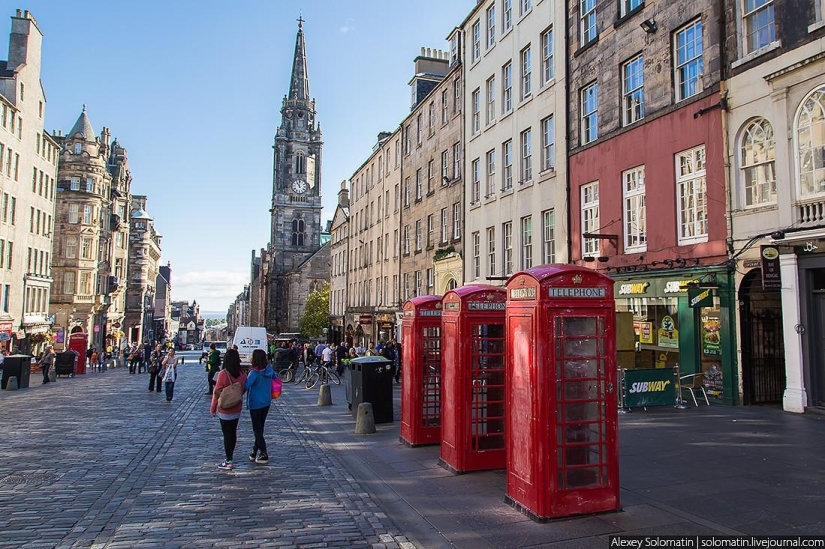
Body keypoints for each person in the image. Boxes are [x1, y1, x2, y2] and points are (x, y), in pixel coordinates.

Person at [210, 348, 247, 470]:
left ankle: (228, 459)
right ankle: (230, 456)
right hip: (236, 406)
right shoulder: (242, 373)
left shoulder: (223, 373)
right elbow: (243, 388)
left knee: (227, 434)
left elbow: (217, 392)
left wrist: (213, 407)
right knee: (233, 432)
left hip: (225, 408)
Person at [245, 349, 275, 465]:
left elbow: (246, 385)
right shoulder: (269, 370)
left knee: (257, 430)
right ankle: (254, 450)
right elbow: (275, 377)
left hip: (256, 404)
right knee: (260, 428)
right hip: (266, 402)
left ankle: (264, 452)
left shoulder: (254, 373)